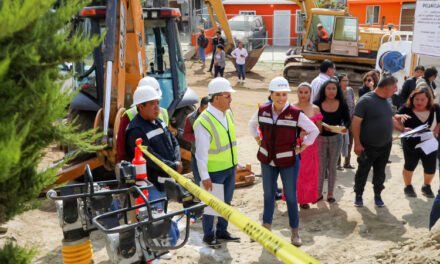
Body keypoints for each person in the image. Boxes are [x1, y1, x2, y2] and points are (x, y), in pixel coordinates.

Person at [248, 77, 319, 246]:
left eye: (284, 94)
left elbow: (313, 130)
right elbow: (251, 125)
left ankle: (295, 232)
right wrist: (258, 140)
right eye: (278, 94)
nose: (281, 98)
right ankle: (266, 227)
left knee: (291, 196)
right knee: (268, 194)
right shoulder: (263, 110)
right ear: (271, 95)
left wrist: (302, 148)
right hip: (267, 161)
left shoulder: (295, 114)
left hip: (289, 161)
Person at [125, 85, 182, 255]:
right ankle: (155, 252)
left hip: (164, 181)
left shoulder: (158, 121)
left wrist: (177, 160)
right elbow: (149, 157)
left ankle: (160, 248)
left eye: (157, 103)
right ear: (140, 106)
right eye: (152, 104)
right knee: (154, 219)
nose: (157, 107)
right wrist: (172, 166)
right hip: (151, 185)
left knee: (161, 215)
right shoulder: (136, 130)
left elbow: (174, 141)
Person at [194, 77, 239, 247]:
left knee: (226, 203)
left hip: (229, 167)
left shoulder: (228, 113)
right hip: (214, 171)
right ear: (216, 98)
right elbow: (200, 154)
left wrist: (236, 162)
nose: (231, 99)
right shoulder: (203, 122)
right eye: (227, 96)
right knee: (212, 206)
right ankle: (208, 235)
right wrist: (204, 176)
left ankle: (222, 231)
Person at [352, 75, 399, 207]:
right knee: (363, 171)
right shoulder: (365, 101)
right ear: (386, 87)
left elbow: (391, 118)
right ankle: (358, 195)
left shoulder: (387, 100)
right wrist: (357, 143)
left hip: (385, 145)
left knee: (380, 172)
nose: (396, 90)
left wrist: (403, 128)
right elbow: (355, 123)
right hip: (368, 146)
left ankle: (377, 195)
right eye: (394, 87)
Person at [394, 88, 440, 198]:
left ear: (428, 100)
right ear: (412, 99)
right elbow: (394, 118)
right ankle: (408, 186)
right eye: (416, 99)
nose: (419, 102)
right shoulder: (406, 108)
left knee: (430, 167)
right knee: (410, 165)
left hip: (429, 142)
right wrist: (402, 128)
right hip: (411, 142)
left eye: (422, 99)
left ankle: (426, 186)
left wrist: (436, 131)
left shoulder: (435, 108)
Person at [314, 79, 351, 203]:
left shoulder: (342, 103)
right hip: (320, 139)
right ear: (324, 90)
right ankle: (318, 194)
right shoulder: (317, 103)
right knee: (320, 167)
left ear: (337, 90)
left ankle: (330, 194)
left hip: (336, 138)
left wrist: (345, 127)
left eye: (334, 88)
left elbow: (347, 119)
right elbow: (312, 120)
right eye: (328, 88)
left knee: (332, 167)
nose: (331, 91)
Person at [116, 76, 169, 162]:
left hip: (160, 164)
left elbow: (120, 147)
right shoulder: (163, 112)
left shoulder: (163, 112)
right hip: (144, 164)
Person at [294, 82, 322, 209]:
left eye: (306, 92)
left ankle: (306, 198)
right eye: (301, 92)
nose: (303, 95)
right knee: (296, 172)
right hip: (296, 145)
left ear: (310, 93)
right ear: (297, 93)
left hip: (310, 146)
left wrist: (308, 132)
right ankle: (297, 198)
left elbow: (319, 129)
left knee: (309, 173)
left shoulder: (315, 108)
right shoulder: (291, 107)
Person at [182, 96, 209, 185]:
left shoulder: (213, 116)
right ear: (200, 108)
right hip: (197, 155)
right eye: (206, 109)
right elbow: (185, 135)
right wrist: (199, 137)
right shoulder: (190, 118)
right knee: (199, 180)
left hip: (212, 156)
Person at [337, 74, 356, 170]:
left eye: (347, 80)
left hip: (350, 120)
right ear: (339, 82)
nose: (346, 82)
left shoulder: (350, 90)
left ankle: (347, 163)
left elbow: (353, 104)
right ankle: (337, 163)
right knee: (339, 141)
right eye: (344, 80)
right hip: (340, 121)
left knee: (350, 142)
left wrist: (353, 118)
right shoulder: (336, 91)